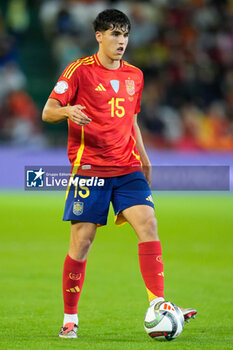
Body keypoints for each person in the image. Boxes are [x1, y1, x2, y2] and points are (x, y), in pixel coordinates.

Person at [42, 9, 197, 339]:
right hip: (90, 170)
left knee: (149, 223)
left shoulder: (135, 76)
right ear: (99, 36)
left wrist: (144, 156)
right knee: (82, 242)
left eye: (125, 34)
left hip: (127, 167)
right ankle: (70, 318)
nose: (121, 40)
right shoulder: (79, 71)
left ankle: (158, 304)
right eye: (114, 34)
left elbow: (132, 121)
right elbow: (48, 111)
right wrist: (68, 109)